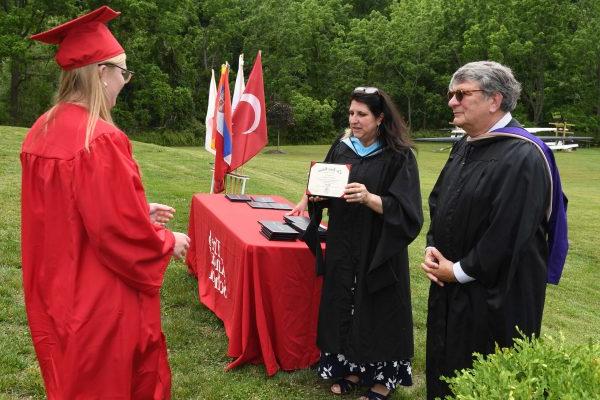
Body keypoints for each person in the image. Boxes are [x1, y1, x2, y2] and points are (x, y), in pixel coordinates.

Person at [21, 6, 190, 399]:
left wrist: (136, 208)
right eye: (123, 72)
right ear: (101, 72)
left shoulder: (41, 130)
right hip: (99, 298)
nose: (125, 82)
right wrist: (167, 241)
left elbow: (65, 210)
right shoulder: (99, 139)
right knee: (109, 385)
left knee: (70, 380)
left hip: (56, 289)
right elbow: (118, 234)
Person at [421, 61, 568, 399]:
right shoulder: (466, 145)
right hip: (450, 283)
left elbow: (508, 232)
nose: (452, 101)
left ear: (494, 99)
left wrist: (457, 271)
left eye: (462, 93)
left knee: (484, 375)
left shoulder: (523, 155)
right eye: (451, 94)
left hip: (496, 293)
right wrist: (433, 247)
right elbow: (439, 200)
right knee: (446, 369)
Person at [290, 87, 423, 400]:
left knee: (378, 307)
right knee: (345, 304)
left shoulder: (398, 155)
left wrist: (369, 198)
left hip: (379, 247)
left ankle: (383, 379)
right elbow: (321, 185)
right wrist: (316, 197)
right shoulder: (342, 146)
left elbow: (408, 211)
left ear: (379, 118)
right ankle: (351, 367)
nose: (354, 120)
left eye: (362, 114)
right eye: (351, 113)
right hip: (343, 242)